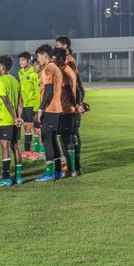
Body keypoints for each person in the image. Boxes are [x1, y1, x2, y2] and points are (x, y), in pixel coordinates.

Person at [0, 55, 24, 187]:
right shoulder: (15, 81)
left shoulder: (0, 81)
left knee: (5, 147)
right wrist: (19, 117)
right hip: (15, 121)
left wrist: (14, 117)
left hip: (5, 120)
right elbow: (20, 101)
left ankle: (6, 178)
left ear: (2, 67)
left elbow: (6, 101)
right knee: (15, 147)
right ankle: (19, 177)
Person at [55, 36, 85, 176]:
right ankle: (75, 167)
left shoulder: (68, 62)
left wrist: (77, 104)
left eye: (58, 46)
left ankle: (73, 166)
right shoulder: (68, 61)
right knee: (72, 135)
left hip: (69, 104)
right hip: (72, 103)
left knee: (70, 136)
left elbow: (75, 85)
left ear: (65, 46)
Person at [34, 44, 64, 181]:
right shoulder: (56, 68)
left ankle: (49, 172)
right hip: (57, 109)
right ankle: (57, 171)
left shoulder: (47, 69)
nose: (37, 59)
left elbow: (48, 91)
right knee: (53, 140)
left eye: (39, 56)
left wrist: (40, 109)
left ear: (45, 55)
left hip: (50, 110)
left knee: (46, 140)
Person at [53, 48, 80, 178]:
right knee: (69, 137)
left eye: (54, 57)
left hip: (65, 109)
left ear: (60, 58)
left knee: (66, 138)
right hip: (69, 109)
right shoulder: (68, 70)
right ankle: (73, 168)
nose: (52, 60)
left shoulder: (63, 71)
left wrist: (74, 105)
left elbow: (68, 90)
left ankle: (72, 169)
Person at [18, 51, 39, 160]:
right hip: (25, 105)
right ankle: (27, 151)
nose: (21, 62)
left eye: (23, 60)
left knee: (36, 129)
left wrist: (37, 107)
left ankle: (38, 151)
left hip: (32, 104)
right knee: (26, 127)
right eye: (20, 60)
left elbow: (37, 91)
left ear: (28, 60)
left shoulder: (34, 73)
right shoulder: (20, 73)